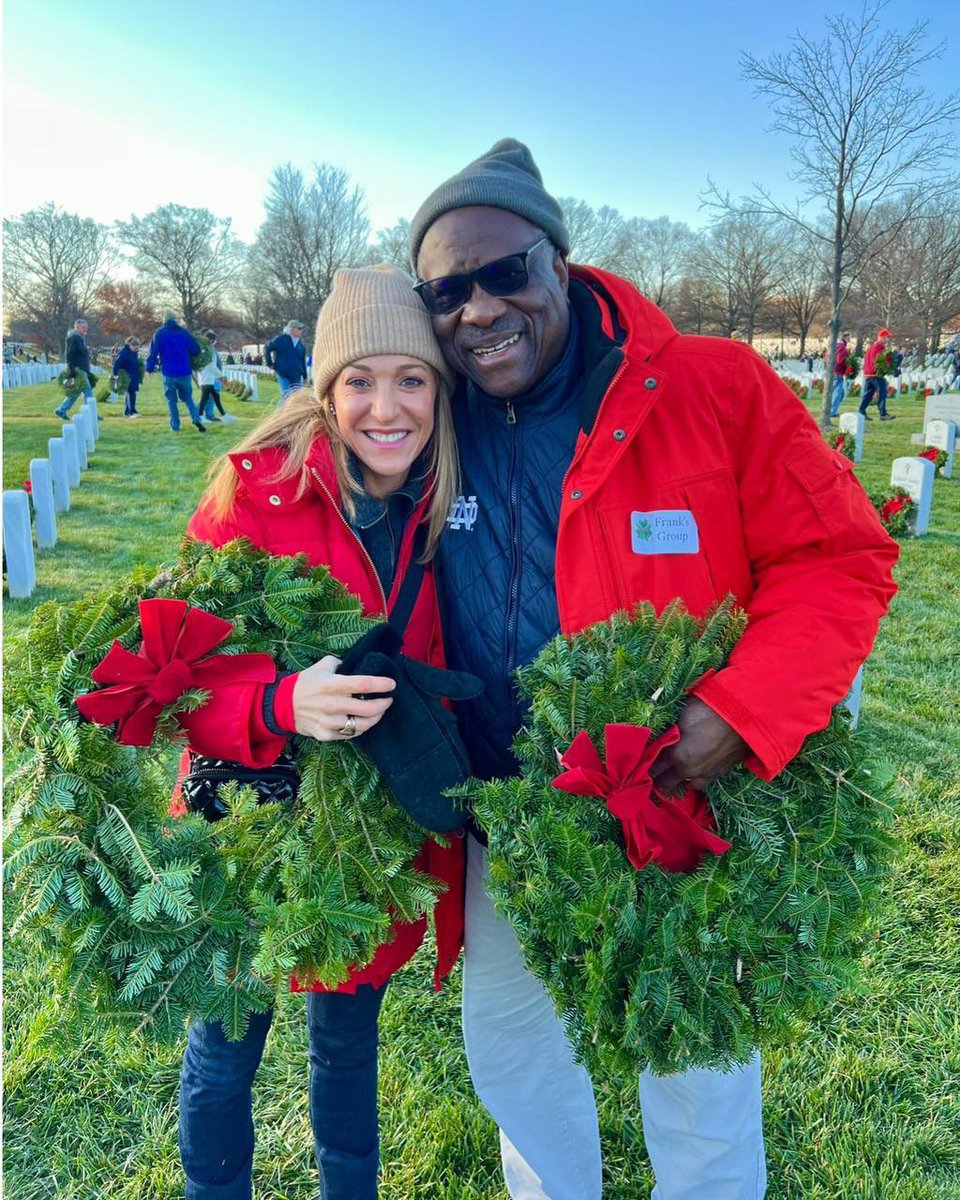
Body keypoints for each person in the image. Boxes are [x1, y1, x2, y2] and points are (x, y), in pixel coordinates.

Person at [409, 138, 899, 1200]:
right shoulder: (426, 419)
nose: (479, 309)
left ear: (560, 264)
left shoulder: (712, 386)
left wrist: (740, 709)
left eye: (505, 274)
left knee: (698, 1074)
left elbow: (839, 558)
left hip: (673, 809)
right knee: (516, 1057)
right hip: (503, 816)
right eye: (446, 290)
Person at [177, 264, 464, 1200]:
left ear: (438, 388)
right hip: (247, 836)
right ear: (327, 387)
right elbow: (169, 679)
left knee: (347, 1050)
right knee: (224, 1053)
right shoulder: (251, 494)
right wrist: (275, 705)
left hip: (363, 845)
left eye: (411, 379)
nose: (387, 408)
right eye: (360, 381)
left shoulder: (447, 501)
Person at [146, 312, 206, 433]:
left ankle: (175, 426)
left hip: (168, 373)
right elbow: (195, 350)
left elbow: (153, 352)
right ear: (176, 320)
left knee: (171, 401)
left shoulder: (159, 333)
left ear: (164, 320)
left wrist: (149, 368)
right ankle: (196, 419)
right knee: (188, 398)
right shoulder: (184, 333)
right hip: (184, 371)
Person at [56, 318, 95, 419]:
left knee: (76, 392)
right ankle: (91, 414)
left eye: (86, 328)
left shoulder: (80, 339)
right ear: (77, 327)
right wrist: (71, 369)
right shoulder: (74, 338)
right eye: (83, 327)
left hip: (82, 369)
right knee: (88, 391)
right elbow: (70, 355)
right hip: (78, 370)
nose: (85, 329)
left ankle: (61, 409)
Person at [194, 330, 235, 423]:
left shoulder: (205, 348)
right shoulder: (208, 350)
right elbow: (211, 366)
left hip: (208, 377)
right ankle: (199, 416)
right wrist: (221, 376)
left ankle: (224, 415)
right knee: (205, 398)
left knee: (214, 397)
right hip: (207, 378)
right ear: (212, 340)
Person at [265, 319, 308, 403]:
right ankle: (280, 415)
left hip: (296, 376)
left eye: (302, 328)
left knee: (296, 400)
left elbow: (302, 361)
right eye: (299, 328)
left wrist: (305, 377)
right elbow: (267, 347)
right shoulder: (280, 340)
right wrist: (269, 363)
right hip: (283, 374)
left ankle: (293, 415)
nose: (301, 330)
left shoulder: (301, 346)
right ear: (292, 329)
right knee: (286, 397)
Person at [859, 328, 894, 421]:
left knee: (868, 394)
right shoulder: (880, 346)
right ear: (882, 337)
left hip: (868, 373)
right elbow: (879, 359)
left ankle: (861, 411)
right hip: (876, 374)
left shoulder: (871, 347)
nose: (887, 339)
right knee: (882, 393)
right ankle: (883, 414)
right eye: (887, 337)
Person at [112, 337, 143, 418]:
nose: (137, 349)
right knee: (131, 393)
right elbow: (117, 364)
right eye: (135, 347)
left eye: (138, 347)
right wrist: (115, 375)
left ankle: (127, 411)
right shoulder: (124, 353)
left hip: (133, 375)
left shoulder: (133, 353)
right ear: (131, 345)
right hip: (127, 376)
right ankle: (132, 412)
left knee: (130, 393)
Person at [830, 331, 851, 418]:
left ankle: (829, 409)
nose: (849, 340)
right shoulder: (841, 347)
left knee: (833, 391)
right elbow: (840, 360)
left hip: (832, 371)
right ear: (844, 338)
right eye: (849, 338)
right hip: (838, 372)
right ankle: (833, 411)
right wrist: (848, 365)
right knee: (837, 392)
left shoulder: (833, 346)